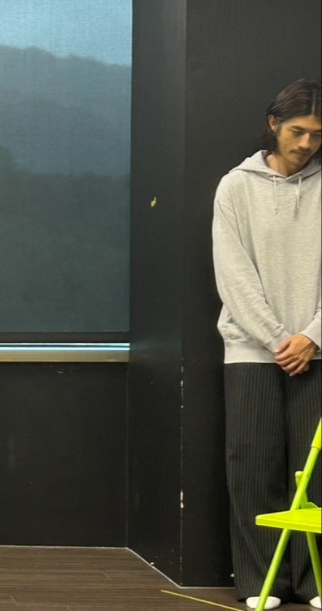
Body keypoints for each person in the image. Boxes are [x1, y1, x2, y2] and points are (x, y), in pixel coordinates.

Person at [212, 78, 322, 611]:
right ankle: (262, 582)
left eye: (317, 135)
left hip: (317, 350)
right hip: (253, 351)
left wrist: (312, 337)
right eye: (298, 131)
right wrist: (281, 340)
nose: (306, 144)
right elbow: (233, 275)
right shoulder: (235, 187)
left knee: (315, 474)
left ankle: (313, 582)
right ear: (273, 124)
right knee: (252, 466)